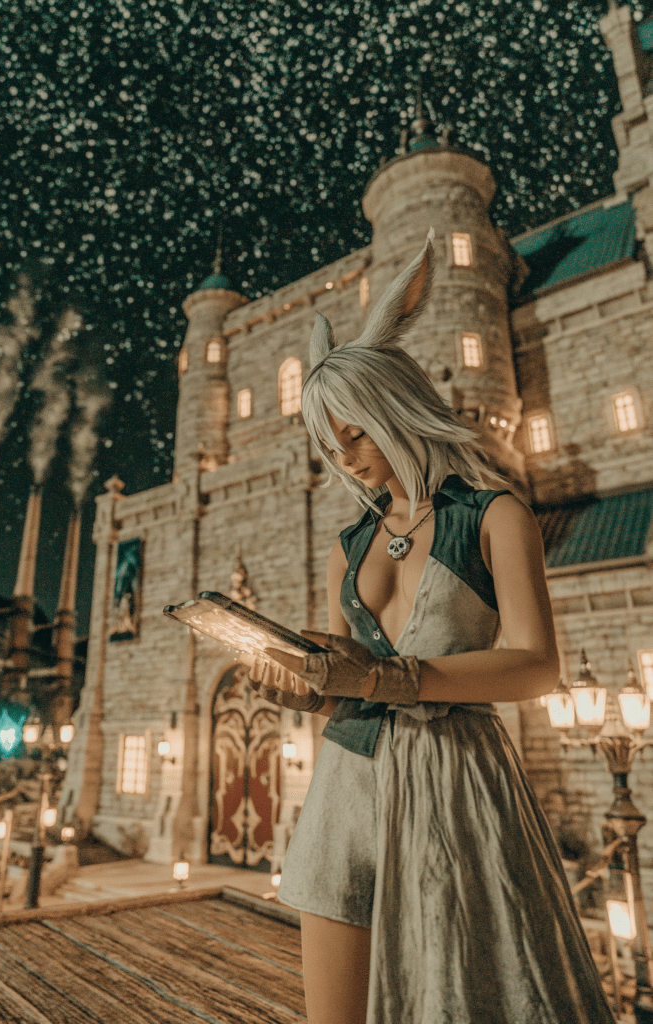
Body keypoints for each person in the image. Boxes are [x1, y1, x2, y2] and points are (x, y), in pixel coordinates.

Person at [247, 232, 616, 1024]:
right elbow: (359, 683)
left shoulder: (494, 515)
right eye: (326, 444)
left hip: (454, 778)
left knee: (454, 997)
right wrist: (307, 687)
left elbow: (532, 665)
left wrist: (388, 678)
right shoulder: (354, 539)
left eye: (354, 432)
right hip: (346, 785)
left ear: (394, 406)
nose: (344, 458)